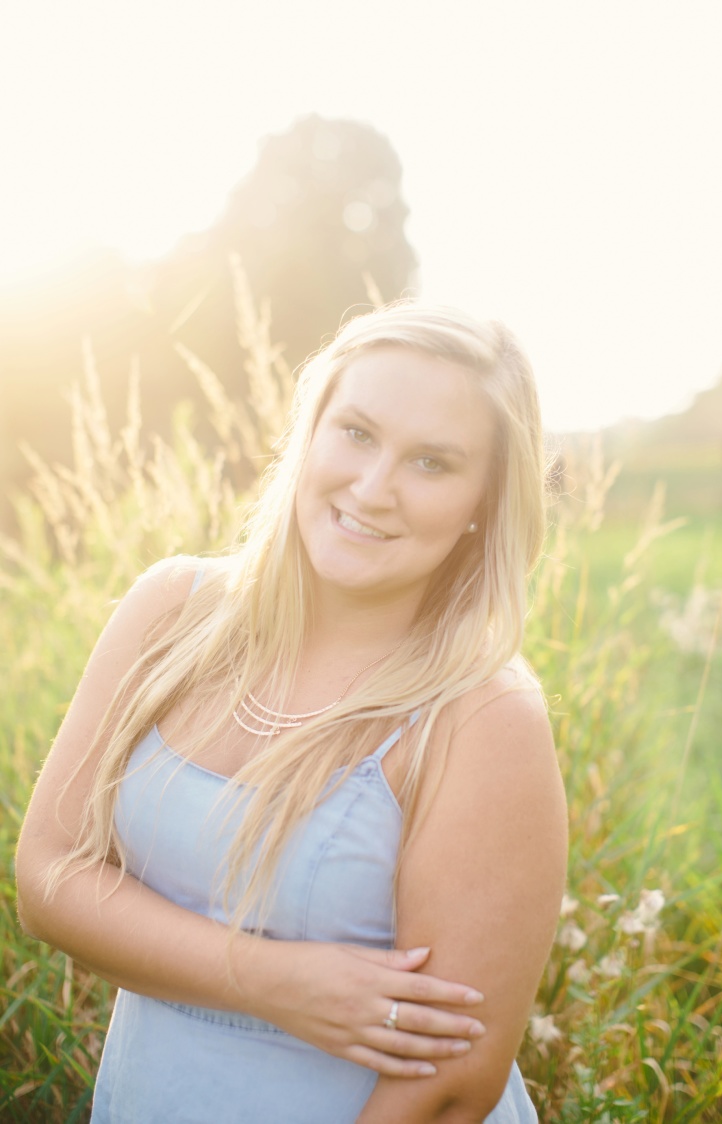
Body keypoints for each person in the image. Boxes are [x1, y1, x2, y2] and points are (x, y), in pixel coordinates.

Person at [16, 302, 567, 1123]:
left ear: (484, 499)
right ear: (309, 431)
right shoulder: (172, 611)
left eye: (431, 462)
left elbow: (450, 1087)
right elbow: (48, 877)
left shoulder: (484, 715)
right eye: (355, 433)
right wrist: (274, 981)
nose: (373, 488)